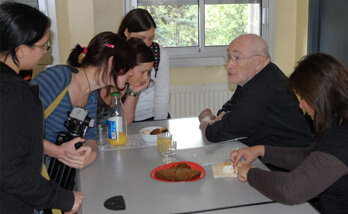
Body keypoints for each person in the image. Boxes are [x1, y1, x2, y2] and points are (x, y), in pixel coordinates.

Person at [231, 53, 348, 213]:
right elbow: (309, 156)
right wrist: (261, 150)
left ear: (320, 97)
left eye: (304, 98)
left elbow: (291, 189)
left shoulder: (340, 139)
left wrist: (250, 173)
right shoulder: (339, 122)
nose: (301, 105)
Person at [0, 2, 82, 213]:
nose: (46, 52)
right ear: (20, 50)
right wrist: (63, 199)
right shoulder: (13, 93)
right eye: (43, 45)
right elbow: (9, 170)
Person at [31, 32, 134, 174]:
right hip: (31, 174)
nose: (131, 74)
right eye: (127, 68)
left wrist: (92, 153)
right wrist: (58, 151)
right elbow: (17, 129)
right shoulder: (57, 78)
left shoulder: (91, 94)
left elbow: (90, 135)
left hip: (57, 174)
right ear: (111, 63)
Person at [199, 34, 314, 147]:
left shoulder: (262, 91)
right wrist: (224, 117)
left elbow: (214, 134)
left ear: (259, 62)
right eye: (229, 57)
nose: (229, 65)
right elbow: (228, 108)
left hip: (286, 162)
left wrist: (205, 119)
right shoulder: (256, 77)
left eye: (237, 58)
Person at [118, 8, 170, 122]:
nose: (146, 44)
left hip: (151, 117)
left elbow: (162, 94)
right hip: (121, 119)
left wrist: (159, 125)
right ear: (126, 32)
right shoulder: (115, 54)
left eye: (150, 38)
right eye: (141, 38)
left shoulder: (159, 54)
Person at [98, 38, 154, 124]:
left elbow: (126, 121)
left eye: (148, 72)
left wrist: (133, 91)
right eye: (142, 72)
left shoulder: (131, 84)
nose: (146, 77)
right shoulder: (99, 85)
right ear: (127, 66)